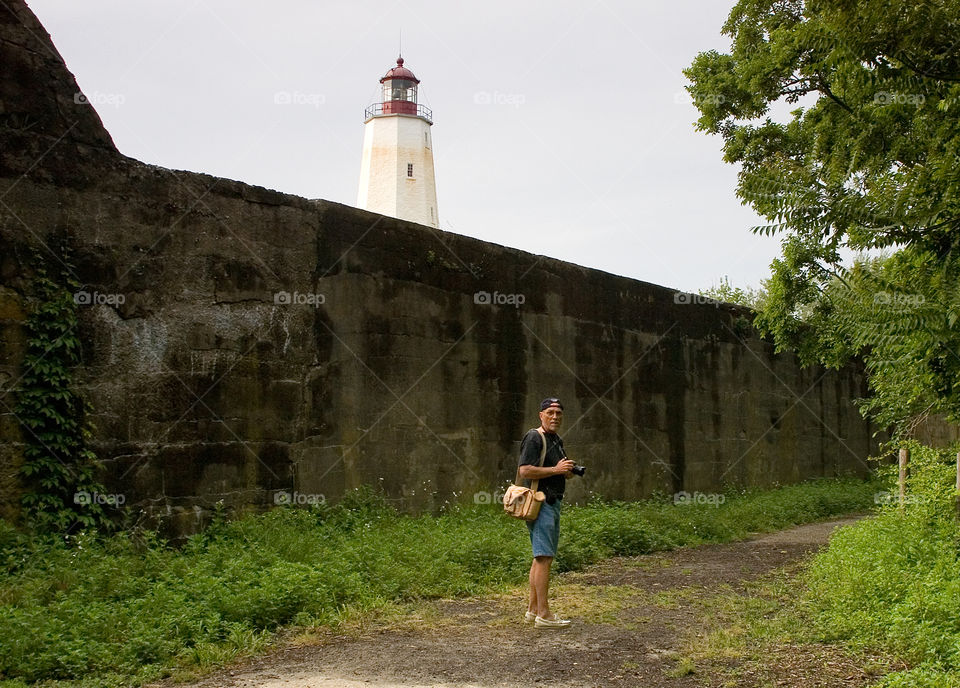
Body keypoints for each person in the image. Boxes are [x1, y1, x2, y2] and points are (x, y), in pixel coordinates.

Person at [518, 397, 576, 628]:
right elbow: (525, 469)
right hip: (541, 504)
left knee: (540, 557)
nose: (555, 417)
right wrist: (555, 469)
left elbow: (558, 469)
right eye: (550, 412)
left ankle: (533, 610)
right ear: (540, 415)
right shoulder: (534, 437)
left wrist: (567, 472)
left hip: (552, 503)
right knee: (544, 558)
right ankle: (545, 614)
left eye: (559, 413)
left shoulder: (556, 439)